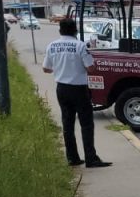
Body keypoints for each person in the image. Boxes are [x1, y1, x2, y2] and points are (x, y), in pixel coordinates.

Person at [43, 18, 111, 168]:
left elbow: (46, 68)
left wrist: (61, 69)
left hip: (61, 88)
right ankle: (91, 158)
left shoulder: (52, 46)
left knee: (67, 124)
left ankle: (72, 158)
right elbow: (90, 68)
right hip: (79, 89)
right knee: (86, 124)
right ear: (75, 30)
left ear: (60, 30)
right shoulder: (80, 46)